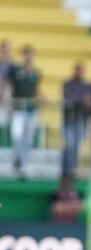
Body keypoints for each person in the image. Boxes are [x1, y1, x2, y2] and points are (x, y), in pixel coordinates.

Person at [9, 46, 42, 177]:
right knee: (17, 136)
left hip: (30, 109)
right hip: (18, 108)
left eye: (30, 55)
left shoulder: (36, 73)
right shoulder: (16, 71)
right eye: (26, 55)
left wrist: (40, 102)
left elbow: (36, 90)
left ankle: (23, 163)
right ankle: (20, 161)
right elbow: (10, 87)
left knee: (27, 138)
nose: (28, 58)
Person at [62, 62, 91, 179]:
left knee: (75, 146)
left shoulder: (87, 85)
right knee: (70, 145)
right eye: (77, 70)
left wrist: (86, 101)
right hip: (69, 119)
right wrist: (82, 100)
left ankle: (71, 168)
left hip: (82, 119)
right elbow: (69, 97)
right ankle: (67, 169)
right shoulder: (67, 84)